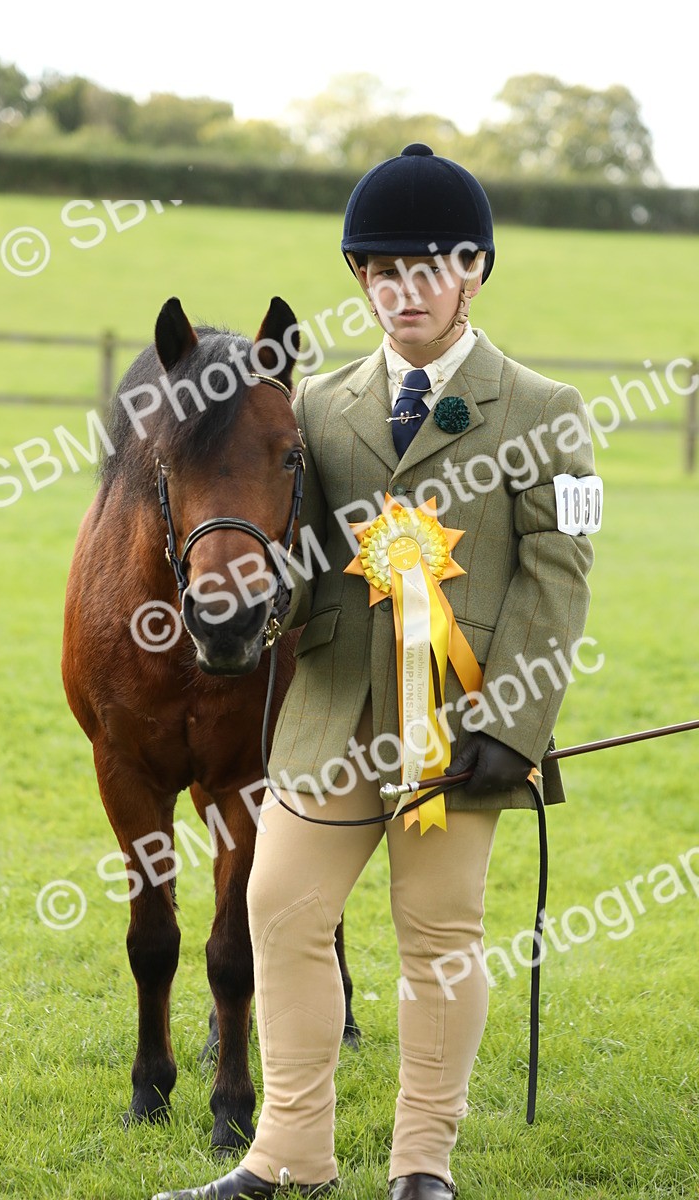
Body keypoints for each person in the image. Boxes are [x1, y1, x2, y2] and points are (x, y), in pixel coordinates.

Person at [154, 144, 596, 1200]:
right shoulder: (314, 409)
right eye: (381, 270)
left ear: (473, 271)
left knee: (438, 939)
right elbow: (296, 557)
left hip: (461, 732)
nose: (404, 290)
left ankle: (420, 1165)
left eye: (429, 267)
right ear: (360, 280)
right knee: (280, 912)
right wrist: (250, 603)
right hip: (327, 716)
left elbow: (555, 582)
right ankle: (288, 1154)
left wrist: (514, 725)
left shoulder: (542, 410)